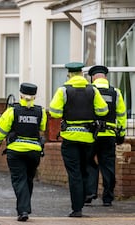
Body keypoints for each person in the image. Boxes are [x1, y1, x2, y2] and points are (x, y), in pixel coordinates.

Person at [49, 62, 109, 217]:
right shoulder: (93, 90)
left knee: (74, 173)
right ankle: (84, 198)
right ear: (82, 74)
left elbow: (54, 112)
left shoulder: (63, 90)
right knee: (85, 169)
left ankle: (77, 208)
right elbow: (103, 111)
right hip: (88, 138)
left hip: (70, 138)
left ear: (69, 74)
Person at [0, 83, 47, 222]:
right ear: (34, 96)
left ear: (21, 95)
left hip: (16, 151)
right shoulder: (41, 111)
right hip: (34, 151)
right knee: (28, 179)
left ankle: (23, 210)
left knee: (19, 180)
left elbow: (1, 129)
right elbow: (42, 127)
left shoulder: (12, 111)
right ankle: (25, 207)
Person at [85, 65, 127, 206]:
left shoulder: (89, 90)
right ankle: (108, 198)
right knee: (108, 165)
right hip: (109, 134)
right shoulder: (116, 92)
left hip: (91, 134)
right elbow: (121, 115)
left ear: (93, 77)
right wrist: (121, 134)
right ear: (105, 77)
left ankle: (90, 192)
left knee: (88, 162)